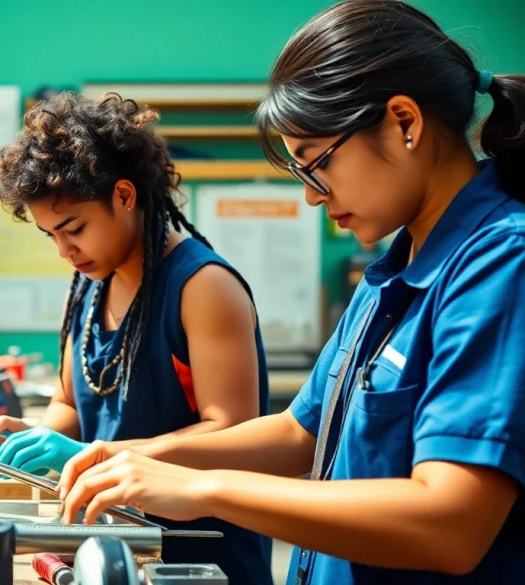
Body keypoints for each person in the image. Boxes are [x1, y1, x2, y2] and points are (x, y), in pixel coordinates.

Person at [57, 1, 525, 583]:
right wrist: (138, 457)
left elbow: (451, 523)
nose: (312, 196)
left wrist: (206, 488)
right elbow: (299, 431)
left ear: (404, 122)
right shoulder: (396, 268)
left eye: (315, 164)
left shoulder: (501, 264)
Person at [0, 91, 273, 583]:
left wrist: (98, 457)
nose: (64, 250)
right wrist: (35, 440)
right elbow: (71, 403)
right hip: (110, 551)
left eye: (73, 228)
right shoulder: (89, 283)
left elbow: (232, 430)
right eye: (51, 234)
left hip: (197, 558)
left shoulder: (203, 286)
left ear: (124, 195)